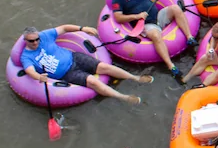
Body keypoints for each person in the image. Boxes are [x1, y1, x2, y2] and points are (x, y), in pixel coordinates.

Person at [19, 24, 151, 104]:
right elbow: (30, 70)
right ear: (25, 40)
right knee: (93, 82)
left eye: (36, 39)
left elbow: (64, 28)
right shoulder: (26, 56)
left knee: (104, 67)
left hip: (74, 57)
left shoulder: (45, 36)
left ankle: (136, 78)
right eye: (31, 41)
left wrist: (83, 28)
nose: (35, 42)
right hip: (67, 74)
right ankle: (124, 97)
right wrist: (39, 77)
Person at [109, 0, 194, 80]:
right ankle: (171, 66)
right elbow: (118, 17)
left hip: (158, 16)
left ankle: (190, 37)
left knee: (176, 8)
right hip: (145, 24)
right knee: (155, 35)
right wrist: (137, 16)